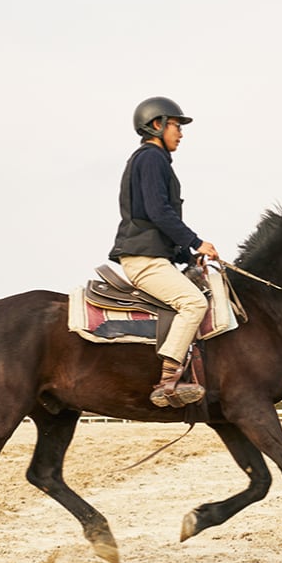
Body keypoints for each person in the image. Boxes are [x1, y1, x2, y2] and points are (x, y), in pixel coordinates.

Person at [109, 96, 220, 408]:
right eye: (176, 126)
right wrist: (196, 242)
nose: (181, 133)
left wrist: (187, 255)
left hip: (153, 254)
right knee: (193, 303)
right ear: (157, 125)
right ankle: (169, 380)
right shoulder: (151, 158)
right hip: (144, 260)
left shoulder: (153, 159)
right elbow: (159, 212)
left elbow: (153, 221)